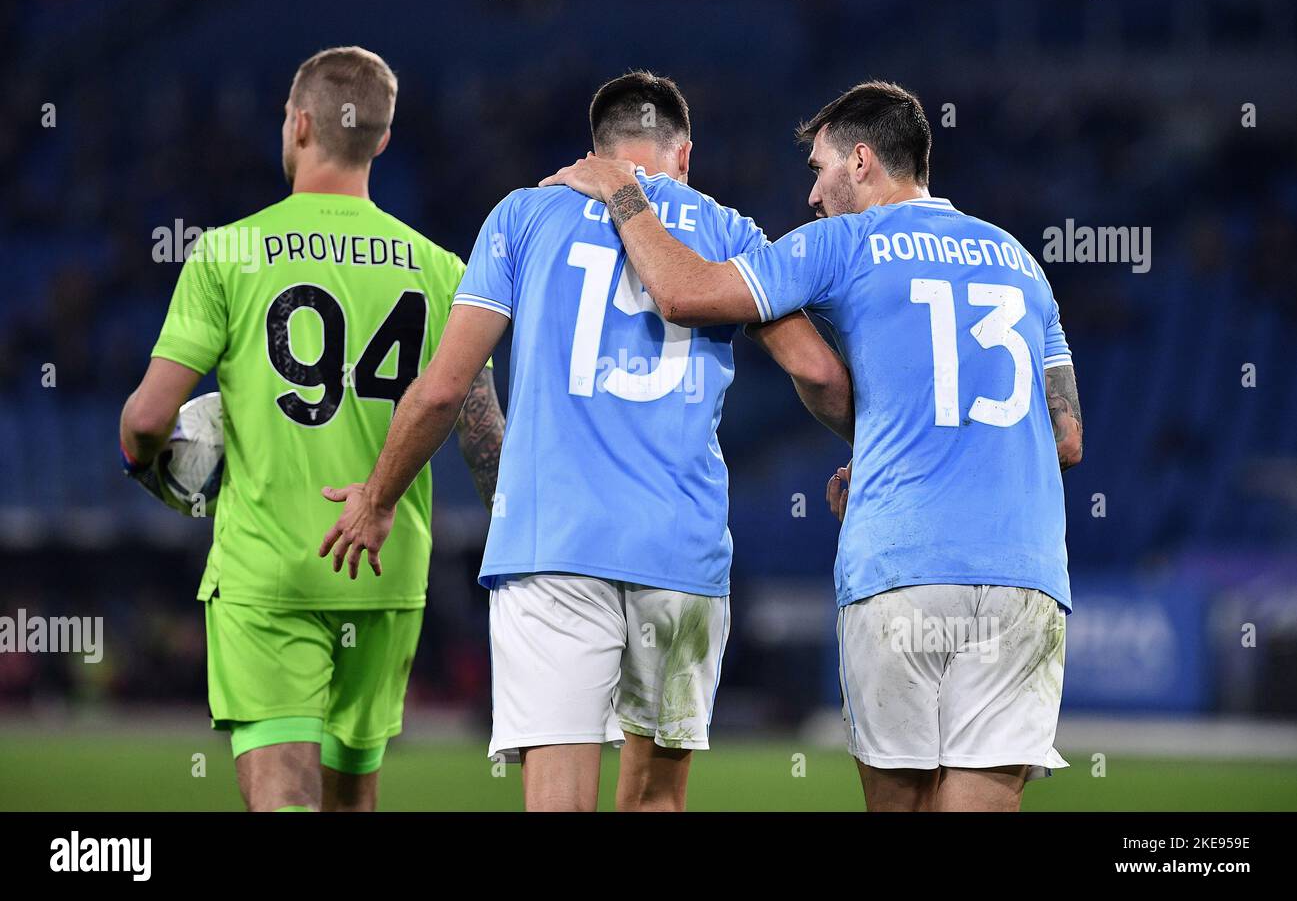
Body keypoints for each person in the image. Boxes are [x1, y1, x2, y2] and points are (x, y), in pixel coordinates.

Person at [539, 79, 1084, 812]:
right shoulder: (1020, 262)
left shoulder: (845, 242)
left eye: (819, 168)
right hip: (1026, 575)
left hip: (903, 566)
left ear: (862, 162)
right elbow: (1065, 437)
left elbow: (682, 293)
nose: (813, 194)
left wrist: (618, 191)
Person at [320, 71, 853, 811]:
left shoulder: (523, 216)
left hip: (553, 547)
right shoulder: (729, 232)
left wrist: (379, 499)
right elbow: (820, 372)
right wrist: (878, 452)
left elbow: (445, 388)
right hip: (682, 552)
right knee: (657, 800)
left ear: (593, 151)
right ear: (685, 155)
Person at [119, 46, 504, 811]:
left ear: (299, 123)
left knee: (280, 798)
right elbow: (483, 436)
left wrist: (146, 464)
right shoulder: (439, 268)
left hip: (270, 571)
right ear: (383, 139)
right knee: (349, 799)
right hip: (385, 572)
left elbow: (148, 418)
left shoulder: (227, 252)